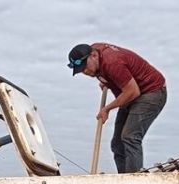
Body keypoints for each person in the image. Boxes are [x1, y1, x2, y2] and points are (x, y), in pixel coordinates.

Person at [68, 42, 167, 173]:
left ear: (93, 55)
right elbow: (107, 73)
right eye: (81, 71)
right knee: (117, 144)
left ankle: (133, 182)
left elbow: (132, 91)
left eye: (85, 67)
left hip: (151, 92)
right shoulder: (95, 53)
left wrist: (107, 109)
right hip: (131, 95)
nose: (85, 72)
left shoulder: (112, 62)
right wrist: (106, 81)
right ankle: (123, 179)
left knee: (130, 136)